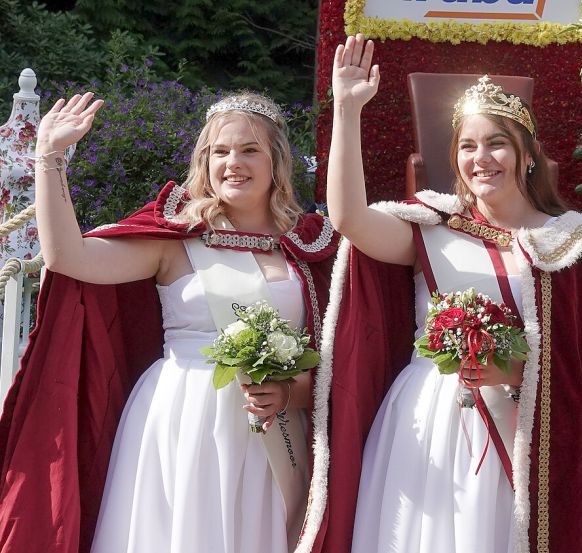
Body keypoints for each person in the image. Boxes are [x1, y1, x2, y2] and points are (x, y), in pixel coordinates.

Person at [307, 34, 582, 553]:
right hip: (429, 419)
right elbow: (347, 219)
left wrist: (522, 371)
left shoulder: (569, 244)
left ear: (527, 155)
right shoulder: (431, 229)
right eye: (467, 146)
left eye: (497, 142)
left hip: (525, 431)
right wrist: (347, 110)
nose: (482, 158)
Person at [0, 92, 340, 553]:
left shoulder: (308, 245)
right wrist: (51, 156)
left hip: (271, 429)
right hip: (185, 418)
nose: (233, 163)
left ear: (277, 161)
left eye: (249, 150)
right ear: (204, 161)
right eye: (220, 152)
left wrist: (288, 391)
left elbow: (335, 356)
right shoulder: (175, 239)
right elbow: (69, 257)